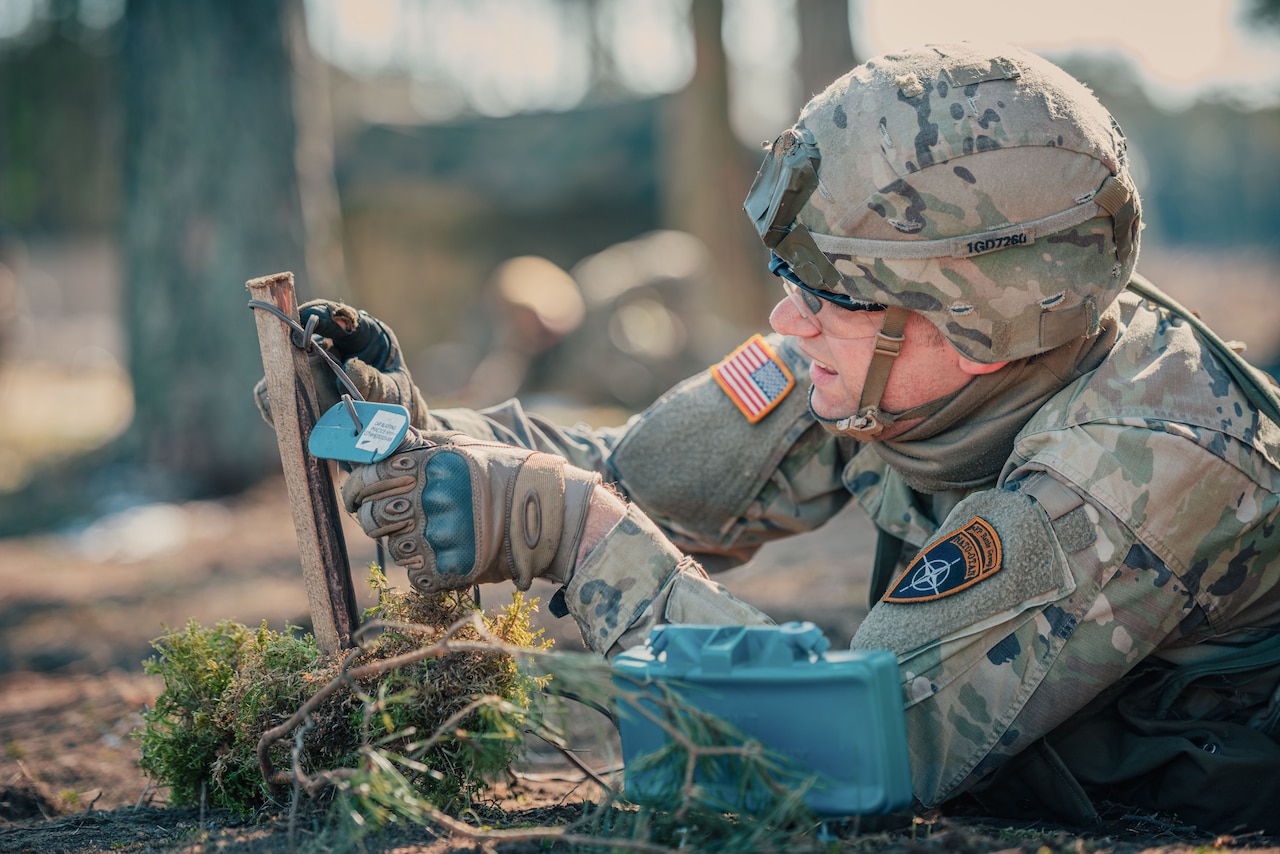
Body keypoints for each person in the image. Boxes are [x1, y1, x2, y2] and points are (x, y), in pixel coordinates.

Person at [268, 44, 1280, 832]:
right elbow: (640, 477)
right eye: (791, 278)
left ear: (979, 321)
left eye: (828, 293)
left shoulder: (1138, 464)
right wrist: (433, 437)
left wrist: (575, 534)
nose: (787, 321)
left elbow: (839, 752)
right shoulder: (887, 360)